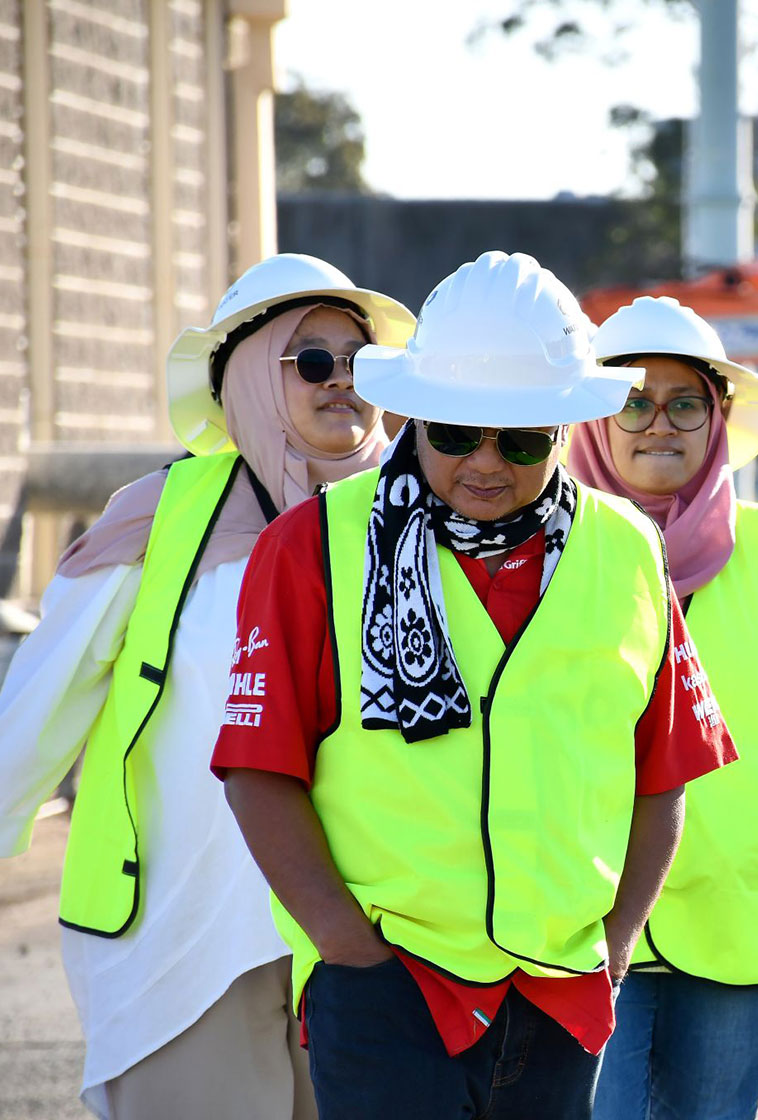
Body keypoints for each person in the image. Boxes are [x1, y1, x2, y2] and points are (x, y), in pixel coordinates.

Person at [210, 251, 736, 1119]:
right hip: (386, 988)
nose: (486, 463)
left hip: (560, 992)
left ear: (566, 431)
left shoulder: (628, 549)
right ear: (413, 415)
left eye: (524, 439)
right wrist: (349, 948)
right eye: (454, 433)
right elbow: (259, 770)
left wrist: (613, 943)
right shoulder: (311, 546)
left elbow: (663, 772)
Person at [0, 254, 414, 1119]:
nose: (341, 380)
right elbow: (39, 705)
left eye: (360, 362)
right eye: (311, 360)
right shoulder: (158, 517)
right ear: (247, 379)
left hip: (375, 933)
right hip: (189, 934)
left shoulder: (421, 520)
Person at [572, 295, 758, 1120]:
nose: (661, 422)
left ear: (718, 416)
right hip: (586, 916)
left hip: (739, 903)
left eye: (686, 401)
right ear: (593, 417)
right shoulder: (552, 543)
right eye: (632, 399)